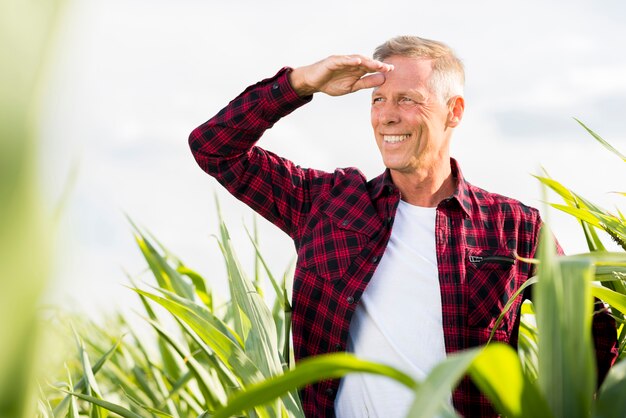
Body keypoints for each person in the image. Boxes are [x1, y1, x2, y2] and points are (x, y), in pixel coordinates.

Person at [189, 35, 618, 417]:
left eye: (407, 100)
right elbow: (215, 149)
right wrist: (302, 83)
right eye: (379, 100)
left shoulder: (514, 228)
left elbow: (587, 326)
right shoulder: (326, 204)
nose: (386, 117)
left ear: (454, 112)